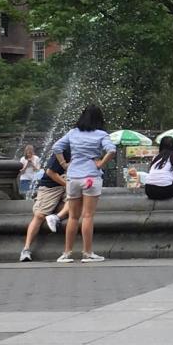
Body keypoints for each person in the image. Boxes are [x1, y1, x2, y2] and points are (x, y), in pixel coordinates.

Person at [51, 104, 116, 263]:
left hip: (73, 177)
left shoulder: (73, 133)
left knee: (73, 216)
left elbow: (56, 147)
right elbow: (112, 150)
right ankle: (87, 253)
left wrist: (64, 164)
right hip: (91, 178)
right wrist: (100, 164)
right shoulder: (101, 134)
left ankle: (66, 253)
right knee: (87, 216)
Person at [19, 149, 71, 261]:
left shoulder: (87, 149)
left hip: (71, 183)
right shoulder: (64, 148)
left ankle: (56, 217)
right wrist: (67, 184)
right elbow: (50, 172)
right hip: (51, 185)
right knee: (39, 216)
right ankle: (26, 249)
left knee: (76, 203)